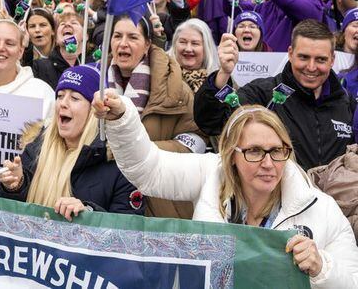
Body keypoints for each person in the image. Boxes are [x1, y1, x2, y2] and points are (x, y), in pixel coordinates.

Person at [94, 93, 358, 288]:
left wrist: (321, 267)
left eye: (277, 151)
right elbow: (149, 170)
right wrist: (122, 118)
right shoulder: (211, 174)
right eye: (254, 151)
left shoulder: (320, 208)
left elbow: (352, 280)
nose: (268, 164)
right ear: (232, 155)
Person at [194, 20, 355, 170]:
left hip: (333, 199)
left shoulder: (346, 102)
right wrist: (223, 73)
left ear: (332, 59)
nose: (311, 67)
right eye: (303, 57)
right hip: (278, 198)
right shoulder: (262, 94)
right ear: (290, 53)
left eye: (320, 59)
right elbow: (211, 122)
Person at [0, 65, 144, 219]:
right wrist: (15, 187)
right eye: (60, 96)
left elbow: (128, 230)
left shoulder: (121, 164)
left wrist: (88, 214)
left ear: (94, 111)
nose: (63, 103)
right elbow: (12, 221)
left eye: (74, 98)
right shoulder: (36, 149)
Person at [109, 14, 204, 218]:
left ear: (147, 45)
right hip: (109, 203)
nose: (123, 44)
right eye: (117, 36)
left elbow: (197, 142)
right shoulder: (97, 84)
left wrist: (139, 151)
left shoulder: (175, 88)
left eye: (133, 38)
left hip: (161, 205)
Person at [31, 12, 84, 89]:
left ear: (86, 35)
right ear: (56, 38)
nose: (67, 25)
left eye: (74, 23)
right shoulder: (39, 67)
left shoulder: (95, 66)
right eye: (62, 24)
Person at [167, 18, 219, 93]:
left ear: (206, 48)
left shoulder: (220, 77)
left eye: (195, 43)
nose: (188, 49)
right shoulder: (164, 73)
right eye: (183, 42)